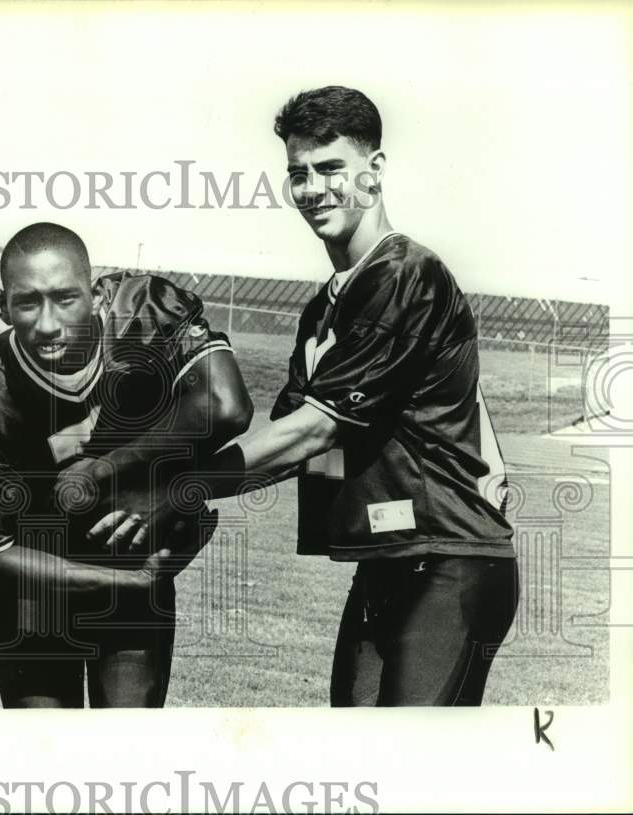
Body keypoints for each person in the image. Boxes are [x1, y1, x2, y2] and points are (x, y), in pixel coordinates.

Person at [90, 86, 519, 706]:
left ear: (374, 173)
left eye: (330, 169)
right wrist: (172, 487)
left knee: (412, 771)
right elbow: (286, 445)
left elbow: (315, 430)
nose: (312, 189)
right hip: (387, 563)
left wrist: (175, 491)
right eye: (299, 173)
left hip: (449, 557)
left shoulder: (405, 273)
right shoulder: (326, 305)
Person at [0, 221, 252, 708]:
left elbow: (226, 406)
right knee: (43, 762)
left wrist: (108, 471)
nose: (48, 323)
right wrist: (132, 582)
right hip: (37, 591)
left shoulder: (144, 313)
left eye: (66, 298)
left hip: (128, 578)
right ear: (1, 304)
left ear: (98, 295)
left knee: (125, 756)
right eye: (27, 302)